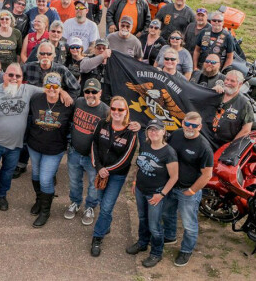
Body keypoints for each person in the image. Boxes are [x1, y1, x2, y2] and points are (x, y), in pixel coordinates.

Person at [0, 63, 73, 218]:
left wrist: (63, 92)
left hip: (16, 145)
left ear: (22, 79)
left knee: (7, 173)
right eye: (10, 75)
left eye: (17, 76)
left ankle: (1, 195)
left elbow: (50, 89)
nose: (13, 78)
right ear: (4, 75)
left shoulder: (28, 90)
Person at [89, 95, 138, 257]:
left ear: (126, 112)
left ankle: (97, 237)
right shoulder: (102, 124)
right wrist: (99, 167)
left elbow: (126, 158)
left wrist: (108, 170)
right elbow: (94, 144)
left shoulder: (131, 132)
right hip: (100, 171)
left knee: (107, 205)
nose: (116, 112)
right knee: (102, 201)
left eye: (120, 109)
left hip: (116, 175)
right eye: (114, 108)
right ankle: (105, 224)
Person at [126, 119, 179, 269]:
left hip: (155, 194)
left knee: (154, 226)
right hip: (140, 190)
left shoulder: (168, 152)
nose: (153, 132)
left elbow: (174, 177)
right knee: (142, 218)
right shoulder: (145, 145)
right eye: (150, 130)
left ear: (164, 132)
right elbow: (140, 165)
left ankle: (156, 252)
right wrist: (135, 181)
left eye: (157, 129)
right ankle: (142, 243)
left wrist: (161, 194)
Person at [26, 73, 74, 228]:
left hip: (54, 149)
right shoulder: (36, 99)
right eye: (48, 86)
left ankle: (45, 212)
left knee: (46, 179)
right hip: (34, 145)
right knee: (35, 174)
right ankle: (39, 200)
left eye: (55, 86)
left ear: (60, 87)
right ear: (44, 86)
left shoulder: (67, 104)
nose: (52, 89)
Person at [63, 78, 109, 225]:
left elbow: (119, 125)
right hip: (74, 152)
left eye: (94, 92)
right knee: (74, 181)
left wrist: (133, 125)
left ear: (100, 93)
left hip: (93, 157)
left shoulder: (106, 111)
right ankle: (75, 202)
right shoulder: (79, 102)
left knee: (93, 185)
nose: (91, 94)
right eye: (88, 91)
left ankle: (90, 207)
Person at [207, 70, 253, 148]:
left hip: (223, 145)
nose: (228, 83)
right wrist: (211, 92)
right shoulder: (217, 93)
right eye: (227, 79)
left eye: (232, 81)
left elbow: (246, 129)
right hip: (206, 138)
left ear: (240, 84)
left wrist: (230, 147)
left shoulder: (245, 104)